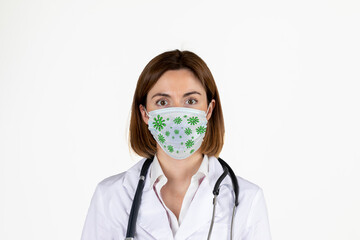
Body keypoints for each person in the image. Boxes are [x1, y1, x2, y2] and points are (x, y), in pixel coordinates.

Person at [81, 49, 272, 240]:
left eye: (190, 101)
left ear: (209, 110)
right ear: (145, 113)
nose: (178, 115)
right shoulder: (111, 198)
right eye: (163, 102)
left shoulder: (247, 200)